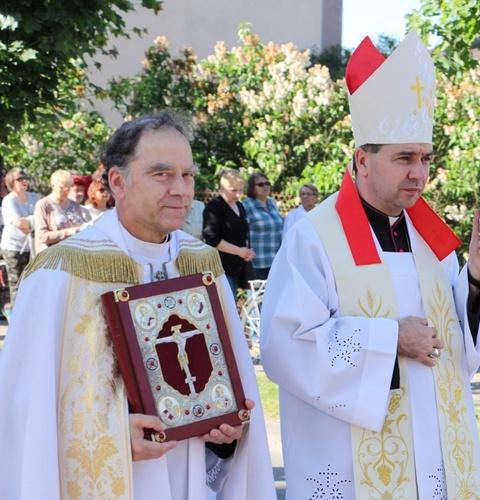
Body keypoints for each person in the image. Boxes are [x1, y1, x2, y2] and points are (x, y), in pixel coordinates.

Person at [260, 31, 480, 498]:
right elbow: (287, 346)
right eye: (404, 159)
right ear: (363, 159)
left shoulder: (431, 241)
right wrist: (391, 338)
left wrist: (474, 276)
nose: (419, 173)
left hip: (432, 455)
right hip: (350, 463)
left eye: (425, 158)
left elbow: (456, 346)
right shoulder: (314, 237)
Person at [0, 112, 276, 498]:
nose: (181, 189)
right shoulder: (59, 273)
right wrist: (113, 437)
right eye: (162, 174)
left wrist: (226, 434)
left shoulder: (202, 265)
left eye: (188, 175)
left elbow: (228, 391)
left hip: (192, 478)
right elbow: (22, 416)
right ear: (118, 182)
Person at [203, 169, 254, 297]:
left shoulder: (240, 206)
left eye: (240, 190)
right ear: (222, 188)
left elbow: (243, 232)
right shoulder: (214, 207)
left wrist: (247, 251)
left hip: (238, 267)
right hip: (220, 269)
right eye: (233, 190)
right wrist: (239, 251)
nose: (237, 195)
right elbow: (211, 238)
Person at [0, 168, 41, 317]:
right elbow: (18, 222)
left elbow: (43, 218)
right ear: (11, 182)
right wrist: (34, 221)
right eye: (20, 179)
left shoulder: (35, 197)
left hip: (32, 246)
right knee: (16, 284)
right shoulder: (9, 200)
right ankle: (15, 315)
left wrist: (29, 223)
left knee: (31, 283)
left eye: (25, 178)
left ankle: (29, 316)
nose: (24, 181)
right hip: (14, 247)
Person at [242, 172, 282, 280]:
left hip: (276, 261)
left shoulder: (272, 203)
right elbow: (242, 231)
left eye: (267, 183)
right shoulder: (246, 204)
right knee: (258, 296)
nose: (265, 186)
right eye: (260, 184)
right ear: (252, 188)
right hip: (257, 262)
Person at [33, 169, 85, 252]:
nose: (66, 190)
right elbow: (42, 236)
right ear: (53, 186)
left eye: (69, 186)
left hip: (76, 253)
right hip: (55, 255)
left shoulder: (75, 204)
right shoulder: (43, 205)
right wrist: (70, 232)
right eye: (62, 187)